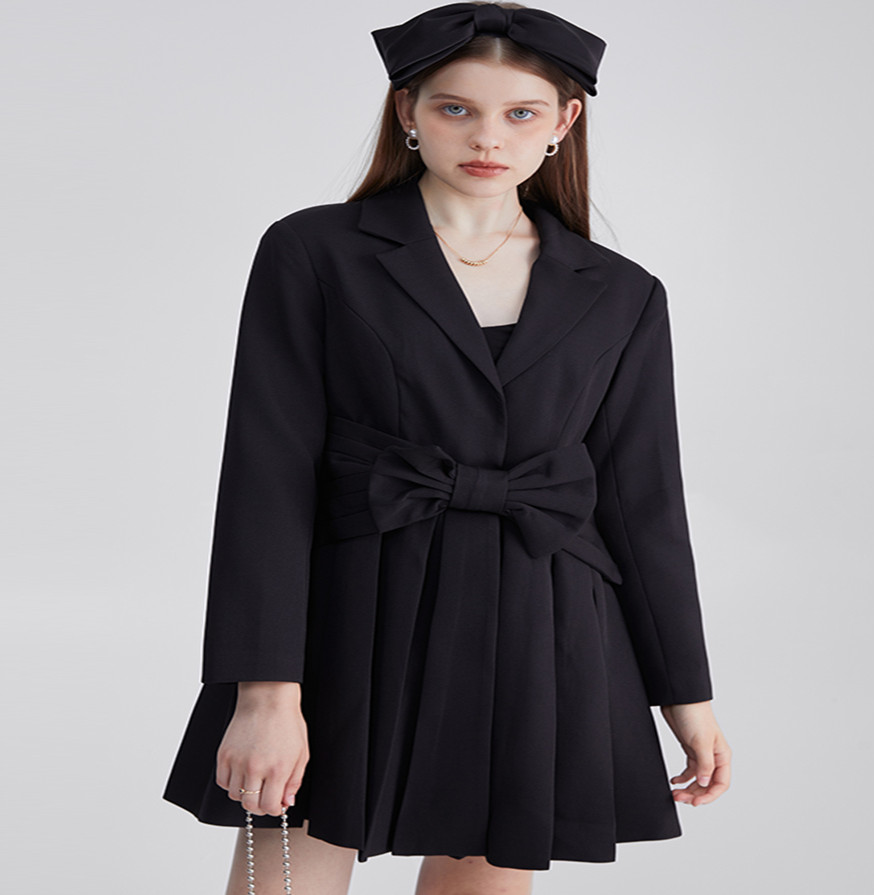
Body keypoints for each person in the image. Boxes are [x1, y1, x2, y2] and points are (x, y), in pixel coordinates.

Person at [162, 3, 732, 893]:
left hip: (537, 619)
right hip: (348, 615)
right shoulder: (314, 251)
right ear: (408, 111)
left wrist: (685, 697)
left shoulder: (621, 293)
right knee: (290, 861)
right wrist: (265, 693)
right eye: (455, 108)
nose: (487, 138)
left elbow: (643, 505)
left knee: (487, 865)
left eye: (519, 113)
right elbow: (266, 477)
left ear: (563, 121)